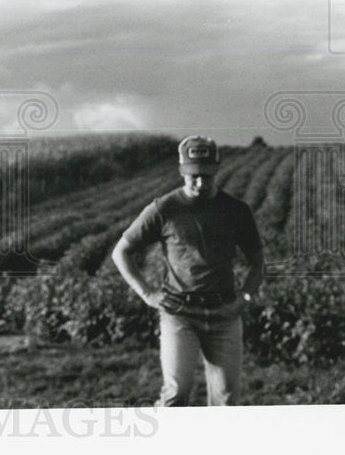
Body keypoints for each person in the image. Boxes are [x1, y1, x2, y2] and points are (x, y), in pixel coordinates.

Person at [111, 136, 264, 406]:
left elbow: (257, 260)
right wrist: (147, 294)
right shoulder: (164, 208)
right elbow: (121, 251)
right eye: (193, 176)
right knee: (176, 395)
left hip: (225, 314)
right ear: (182, 171)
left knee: (226, 401)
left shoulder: (236, 210)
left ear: (217, 169)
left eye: (206, 175)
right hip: (179, 314)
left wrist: (246, 297)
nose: (201, 183)